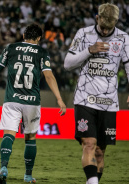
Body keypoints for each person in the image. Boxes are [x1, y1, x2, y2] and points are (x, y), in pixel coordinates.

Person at [0, 24, 66, 184]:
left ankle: (4, 167)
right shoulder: (42, 52)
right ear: (38, 38)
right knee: (30, 138)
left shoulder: (11, 48)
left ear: (24, 35)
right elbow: (49, 76)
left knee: (9, 134)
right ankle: (28, 176)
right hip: (32, 102)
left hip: (12, 99)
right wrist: (59, 98)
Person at [64, 3, 129, 184]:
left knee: (100, 151)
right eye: (103, 27)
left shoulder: (124, 38)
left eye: (110, 28)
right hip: (85, 98)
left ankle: (92, 181)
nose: (106, 31)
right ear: (97, 18)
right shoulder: (83, 34)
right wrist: (88, 50)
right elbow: (67, 64)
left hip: (109, 102)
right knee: (89, 144)